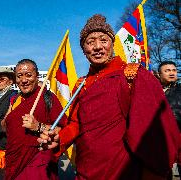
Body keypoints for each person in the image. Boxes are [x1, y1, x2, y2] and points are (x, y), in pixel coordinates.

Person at [38, 14, 180, 180]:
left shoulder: (132, 74)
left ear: (112, 44)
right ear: (84, 50)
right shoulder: (81, 84)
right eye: (90, 42)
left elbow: (152, 132)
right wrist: (60, 138)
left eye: (103, 40)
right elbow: (76, 124)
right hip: (86, 169)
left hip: (123, 170)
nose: (97, 47)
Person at [3, 59, 67, 180]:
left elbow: (64, 130)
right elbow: (8, 127)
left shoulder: (47, 97)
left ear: (37, 77)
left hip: (37, 161)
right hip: (13, 160)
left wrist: (38, 126)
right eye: (19, 76)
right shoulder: (15, 100)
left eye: (28, 75)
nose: (24, 80)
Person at [158, 61, 181, 177]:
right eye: (167, 71)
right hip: (160, 143)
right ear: (159, 74)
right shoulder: (153, 92)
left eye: (174, 70)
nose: (172, 73)